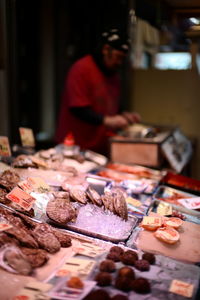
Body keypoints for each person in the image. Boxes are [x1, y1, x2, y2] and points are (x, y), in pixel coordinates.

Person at [55, 28, 141, 155]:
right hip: (74, 147)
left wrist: (124, 115)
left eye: (123, 59)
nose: (119, 62)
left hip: (100, 147)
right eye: (118, 57)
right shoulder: (82, 68)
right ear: (106, 50)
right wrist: (109, 121)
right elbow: (78, 109)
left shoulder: (113, 75)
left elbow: (110, 106)